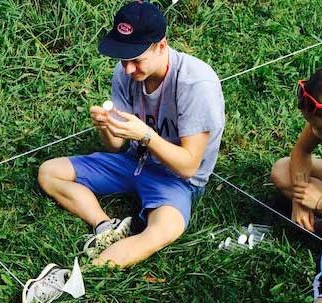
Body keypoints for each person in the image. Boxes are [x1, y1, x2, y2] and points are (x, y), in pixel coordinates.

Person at [37, 1, 224, 272]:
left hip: (178, 179)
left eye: (136, 59)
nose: (127, 69)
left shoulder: (196, 84)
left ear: (161, 45)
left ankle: (84, 275)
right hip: (135, 160)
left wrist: (146, 135)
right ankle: (105, 226)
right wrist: (107, 127)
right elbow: (115, 147)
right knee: (50, 172)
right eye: (123, 59)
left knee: (166, 228)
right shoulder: (125, 73)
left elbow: (189, 165)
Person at [270, 70, 322, 303]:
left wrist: (319, 202)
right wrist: (302, 201)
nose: (313, 133)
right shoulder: (316, 126)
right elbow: (301, 152)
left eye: (317, 128)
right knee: (282, 170)